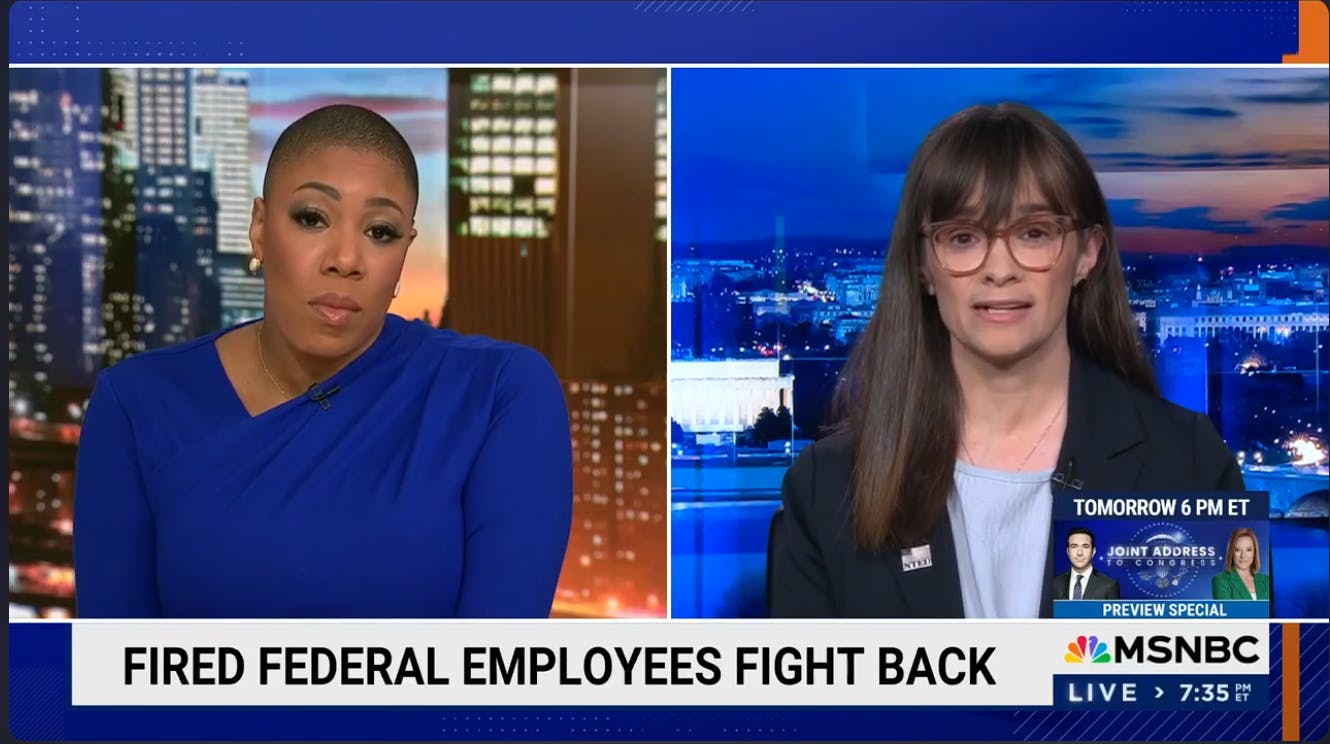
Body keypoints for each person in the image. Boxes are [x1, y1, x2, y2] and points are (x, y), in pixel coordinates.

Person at [73, 105, 574, 618]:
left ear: (405, 252)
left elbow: (493, 676)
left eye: (380, 231)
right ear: (260, 229)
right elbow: (116, 675)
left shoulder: (498, 394)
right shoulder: (135, 403)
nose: (346, 259)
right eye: (312, 218)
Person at [768, 102, 1244, 619]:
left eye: (1033, 233)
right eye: (964, 238)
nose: (999, 270)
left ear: (1088, 254)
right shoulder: (827, 489)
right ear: (923, 264)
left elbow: (1206, 696)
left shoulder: (1185, 464)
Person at [1052, 527, 1120, 601]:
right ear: (1068, 552)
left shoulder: (1109, 585)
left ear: (1093, 552)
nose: (1079, 553)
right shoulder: (1055, 583)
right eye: (1074, 547)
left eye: (1085, 547)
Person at [1211, 528, 1270, 600]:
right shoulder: (1220, 581)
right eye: (1237, 550)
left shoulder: (1267, 581)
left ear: (1254, 552)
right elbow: (1228, 610)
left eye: (1248, 550)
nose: (1243, 555)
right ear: (1231, 553)